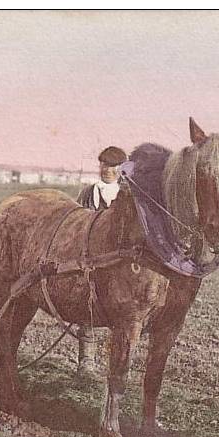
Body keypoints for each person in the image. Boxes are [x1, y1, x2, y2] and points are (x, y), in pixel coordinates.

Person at [74, 146, 128, 376]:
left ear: (121, 169)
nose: (106, 170)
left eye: (111, 166)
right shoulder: (89, 193)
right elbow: (75, 221)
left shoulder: (126, 194)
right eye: (103, 165)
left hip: (120, 262)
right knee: (87, 305)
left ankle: (117, 366)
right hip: (91, 258)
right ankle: (86, 360)